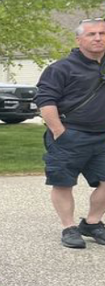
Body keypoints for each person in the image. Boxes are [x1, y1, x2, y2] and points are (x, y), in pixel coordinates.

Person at [36, 18, 105, 248]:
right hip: (70, 135)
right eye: (91, 34)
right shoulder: (61, 68)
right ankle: (69, 227)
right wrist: (59, 132)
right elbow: (45, 101)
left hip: (102, 136)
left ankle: (93, 223)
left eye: (102, 33)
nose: (98, 38)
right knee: (64, 183)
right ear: (79, 39)